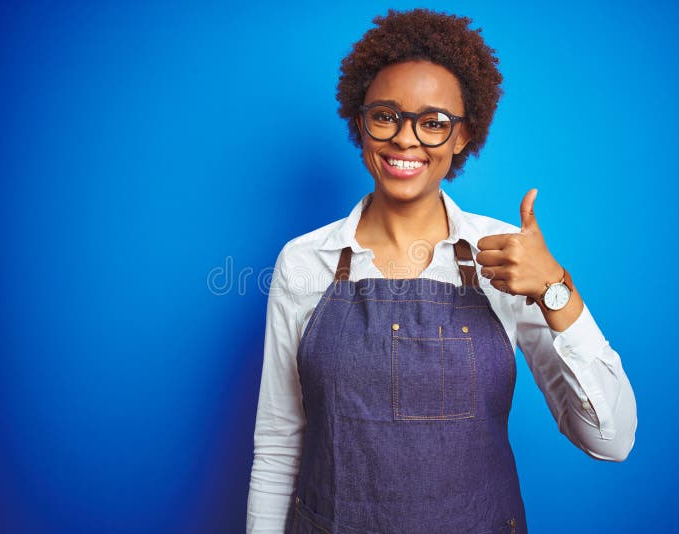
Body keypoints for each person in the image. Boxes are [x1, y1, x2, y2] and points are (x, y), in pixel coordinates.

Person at [246, 8, 637, 533]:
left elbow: (611, 442)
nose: (406, 140)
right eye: (386, 115)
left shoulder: (506, 255)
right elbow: (278, 443)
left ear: (462, 137)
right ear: (359, 123)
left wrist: (554, 288)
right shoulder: (303, 261)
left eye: (434, 123)